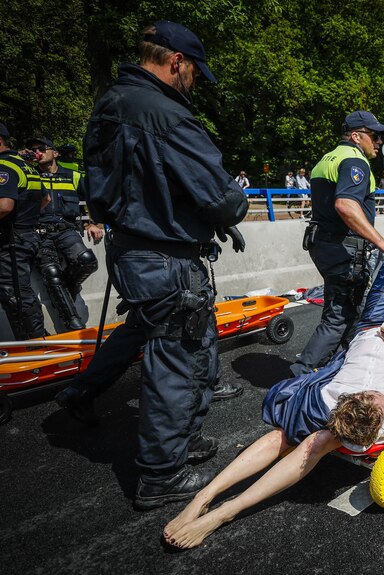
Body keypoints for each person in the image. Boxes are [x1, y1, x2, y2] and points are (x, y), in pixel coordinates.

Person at [163, 256, 384, 549]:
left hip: (371, 325)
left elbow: (312, 422)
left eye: (374, 397)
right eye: (377, 399)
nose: (379, 394)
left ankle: (217, 507)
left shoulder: (331, 401)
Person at [77, 20, 249, 509]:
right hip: (167, 256)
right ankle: (160, 474)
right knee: (177, 358)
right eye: (193, 70)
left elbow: (119, 186)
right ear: (176, 61)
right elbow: (221, 196)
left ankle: (180, 442)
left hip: (134, 248)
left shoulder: (113, 103)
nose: (194, 80)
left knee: (172, 343)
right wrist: (229, 207)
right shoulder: (165, 113)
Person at [290, 110, 384, 377]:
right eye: (374, 135)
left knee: (351, 309)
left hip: (324, 242)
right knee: (341, 315)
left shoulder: (328, 158)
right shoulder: (354, 161)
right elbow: (345, 205)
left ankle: (344, 367)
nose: (379, 142)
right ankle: (300, 375)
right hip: (343, 247)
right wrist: (381, 242)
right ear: (357, 136)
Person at [27, 136, 102, 331]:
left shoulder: (74, 176)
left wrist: (93, 223)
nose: (37, 152)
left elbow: (92, 201)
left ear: (55, 152)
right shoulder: (29, 175)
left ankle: (67, 288)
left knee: (87, 261)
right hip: (39, 233)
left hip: (66, 230)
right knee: (52, 274)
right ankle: (73, 324)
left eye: (41, 148)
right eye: (33, 149)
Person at [0, 122, 48, 340]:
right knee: (23, 293)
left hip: (11, 241)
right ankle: (39, 340)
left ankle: (34, 347)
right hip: (26, 236)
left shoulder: (3, 166)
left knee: (15, 296)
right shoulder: (25, 165)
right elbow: (45, 199)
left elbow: (4, 206)